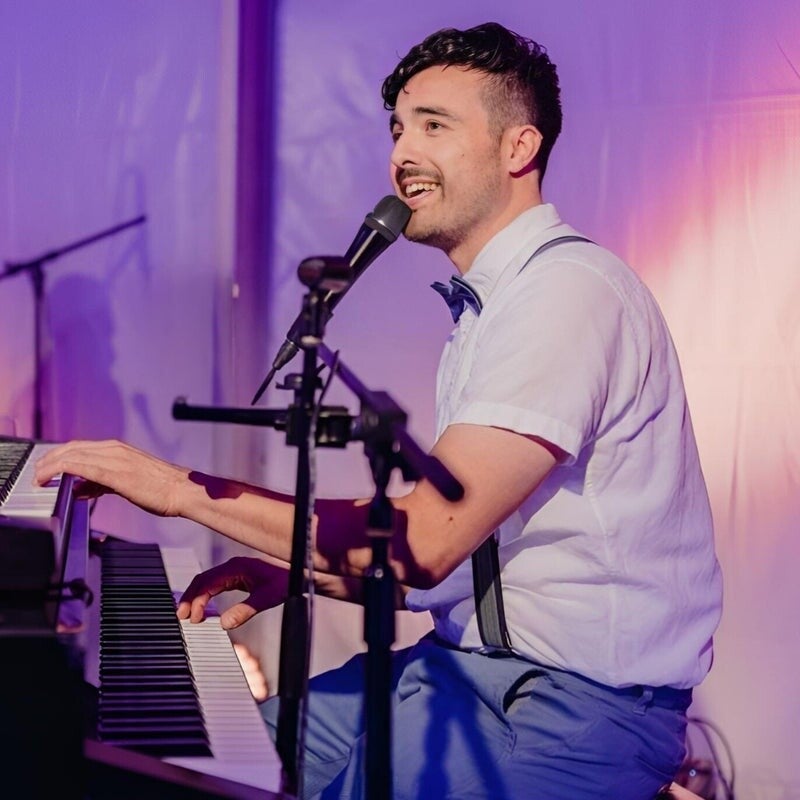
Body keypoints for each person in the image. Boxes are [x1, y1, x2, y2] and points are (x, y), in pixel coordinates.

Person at [36, 22, 722, 800]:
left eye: (435, 125)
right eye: (398, 127)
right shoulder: (494, 308)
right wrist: (298, 571)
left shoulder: (566, 296)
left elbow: (423, 542)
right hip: (462, 667)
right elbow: (471, 559)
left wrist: (173, 487)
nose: (402, 152)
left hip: (567, 707)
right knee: (193, 758)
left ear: (517, 148)